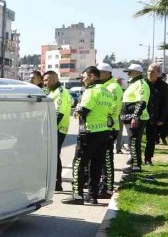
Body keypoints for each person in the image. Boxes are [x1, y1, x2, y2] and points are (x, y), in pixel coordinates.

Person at [64, 66, 113, 206]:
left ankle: (77, 195)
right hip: (103, 132)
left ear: (92, 76)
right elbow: (109, 112)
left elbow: (84, 111)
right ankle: (92, 196)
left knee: (79, 163)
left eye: (84, 76)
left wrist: (78, 111)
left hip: (89, 132)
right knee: (96, 166)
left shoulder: (91, 91)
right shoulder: (107, 92)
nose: (82, 79)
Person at [44, 71, 72, 192]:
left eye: (47, 80)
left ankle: (57, 182)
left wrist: (49, 129)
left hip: (58, 129)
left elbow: (58, 114)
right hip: (52, 128)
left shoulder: (61, 92)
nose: (45, 82)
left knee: (54, 155)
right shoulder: (50, 91)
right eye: (44, 80)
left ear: (55, 79)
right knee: (52, 155)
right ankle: (54, 181)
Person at [98, 63, 123, 198]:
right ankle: (103, 185)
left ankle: (107, 188)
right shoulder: (104, 86)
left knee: (107, 158)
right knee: (101, 158)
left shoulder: (114, 87)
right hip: (103, 127)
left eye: (100, 72)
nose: (97, 75)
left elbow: (112, 108)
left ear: (107, 73)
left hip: (110, 127)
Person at [122, 64, 150, 173]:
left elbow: (141, 102)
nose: (128, 74)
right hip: (130, 117)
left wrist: (135, 116)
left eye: (130, 72)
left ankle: (136, 166)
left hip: (137, 118)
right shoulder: (134, 84)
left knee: (133, 141)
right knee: (132, 141)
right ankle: (134, 163)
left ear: (138, 73)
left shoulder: (141, 84)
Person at [144, 63, 168, 166]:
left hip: (153, 117)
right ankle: (134, 159)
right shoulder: (143, 83)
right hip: (140, 116)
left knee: (151, 139)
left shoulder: (163, 86)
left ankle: (148, 158)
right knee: (136, 138)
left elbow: (165, 104)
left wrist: (162, 118)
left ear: (158, 74)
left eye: (152, 72)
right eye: (148, 71)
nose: (150, 73)